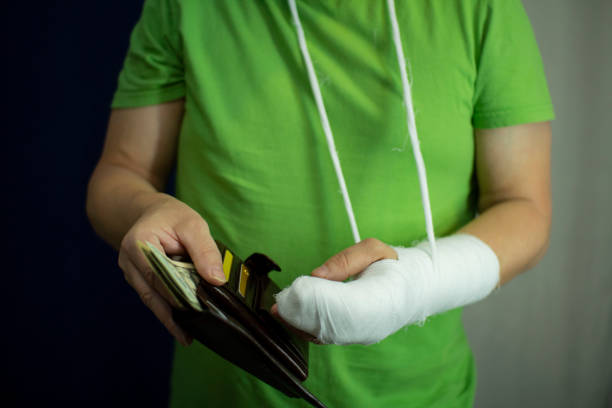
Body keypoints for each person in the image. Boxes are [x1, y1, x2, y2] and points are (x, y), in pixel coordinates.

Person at [86, 0, 554, 406]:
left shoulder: (480, 8)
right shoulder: (183, 6)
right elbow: (121, 173)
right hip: (225, 393)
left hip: (416, 392)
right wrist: (141, 212)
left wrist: (414, 285)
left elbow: (523, 207)